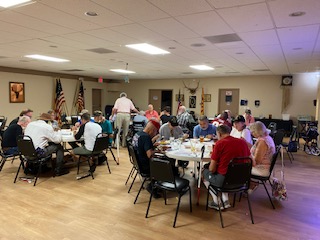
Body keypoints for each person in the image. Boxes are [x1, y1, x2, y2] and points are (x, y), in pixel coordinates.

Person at [202, 125, 251, 210]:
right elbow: (249, 159)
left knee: (203, 173)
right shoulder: (242, 142)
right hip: (242, 180)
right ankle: (225, 200)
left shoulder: (220, 144)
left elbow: (212, 169)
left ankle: (216, 201)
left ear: (219, 134)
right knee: (227, 172)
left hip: (224, 180)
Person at [132, 119, 161, 198]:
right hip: (146, 166)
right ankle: (155, 186)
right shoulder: (146, 137)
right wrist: (159, 151)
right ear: (152, 130)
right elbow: (149, 155)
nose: (155, 134)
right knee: (166, 163)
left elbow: (142, 147)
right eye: (156, 132)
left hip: (138, 163)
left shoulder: (138, 134)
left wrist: (153, 145)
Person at [249, 121, 276, 193]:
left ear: (258, 131)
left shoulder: (262, 142)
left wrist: (248, 155)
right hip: (266, 166)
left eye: (253, 132)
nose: (252, 134)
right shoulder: (268, 137)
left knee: (239, 168)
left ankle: (250, 185)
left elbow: (256, 162)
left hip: (262, 168)